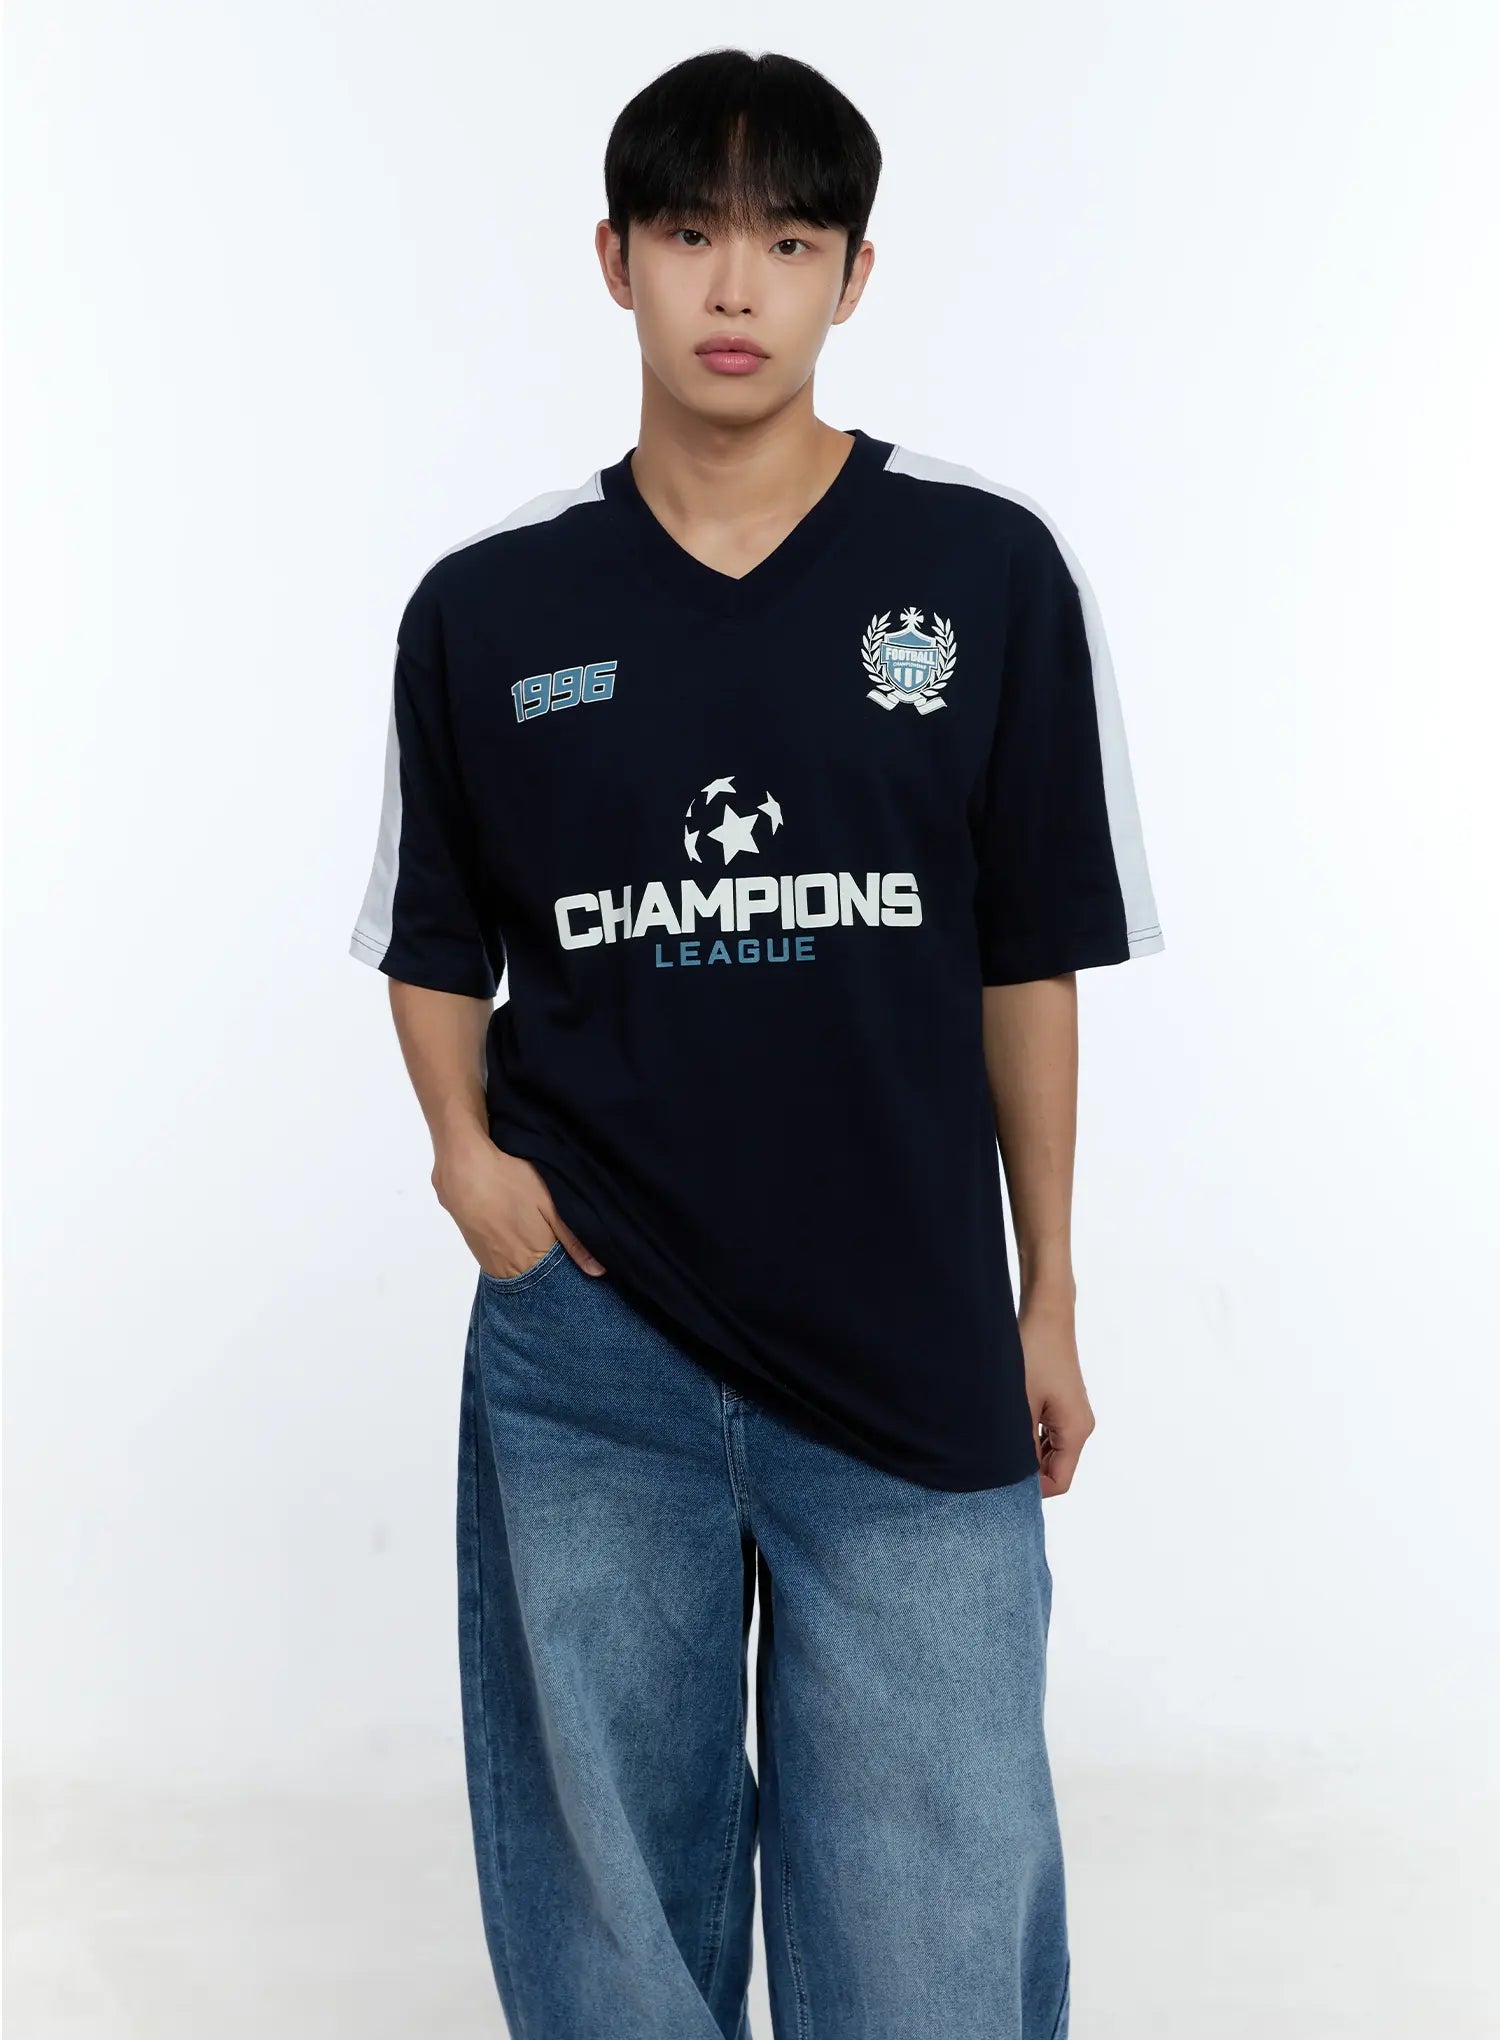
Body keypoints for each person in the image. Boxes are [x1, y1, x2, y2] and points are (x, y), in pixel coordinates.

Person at [347, 45, 1162, 2040]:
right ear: (613, 258)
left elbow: (1028, 960)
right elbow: (433, 935)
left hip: (908, 1336)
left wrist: (1047, 1290)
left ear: (854, 276)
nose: (736, 287)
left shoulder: (982, 575)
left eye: (789, 243)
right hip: (594, 1345)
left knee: (935, 1915)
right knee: (610, 1922)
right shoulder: (490, 608)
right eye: (693, 235)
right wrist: (468, 1165)